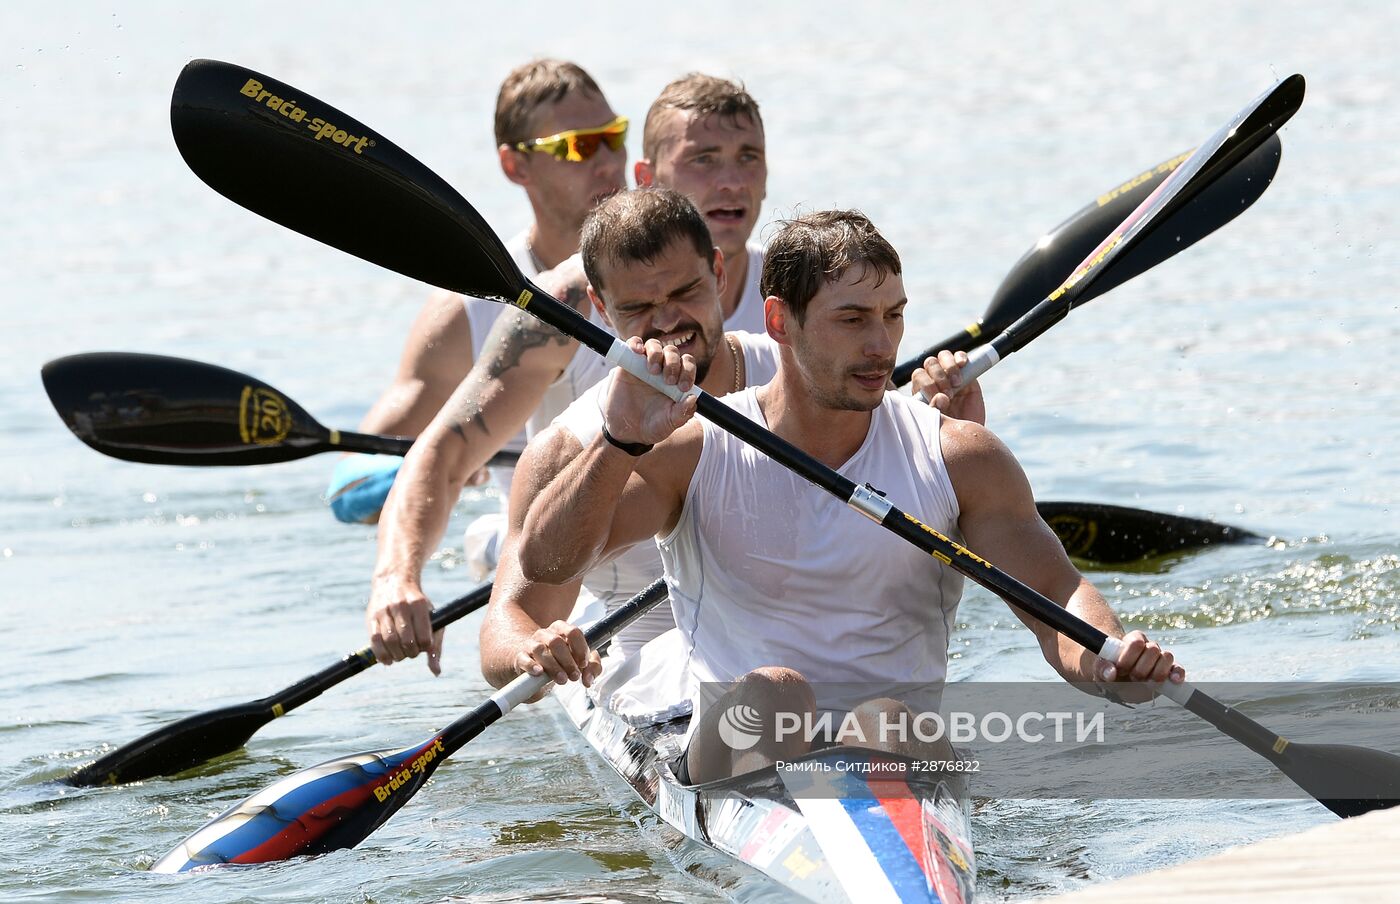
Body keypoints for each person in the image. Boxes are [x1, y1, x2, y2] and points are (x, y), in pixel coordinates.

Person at [516, 209, 1186, 783]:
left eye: (893, 317)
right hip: (742, 751)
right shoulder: (695, 450)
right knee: (779, 696)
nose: (880, 346)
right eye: (852, 319)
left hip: (896, 753)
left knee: (891, 723)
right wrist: (616, 441)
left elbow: (1058, 598)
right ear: (780, 321)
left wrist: (1109, 658)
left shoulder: (958, 456)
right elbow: (547, 563)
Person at [364, 74, 773, 674]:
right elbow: (446, 452)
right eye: (704, 161)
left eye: (747, 158)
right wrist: (396, 578)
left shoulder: (790, 293)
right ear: (647, 180)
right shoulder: (561, 309)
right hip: (587, 565)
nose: (730, 182)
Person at [325, 58, 626, 525]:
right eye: (579, 147)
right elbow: (349, 487)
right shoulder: (470, 311)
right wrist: (444, 460)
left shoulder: (680, 271)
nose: (608, 163)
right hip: (549, 554)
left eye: (614, 137)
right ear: (515, 165)